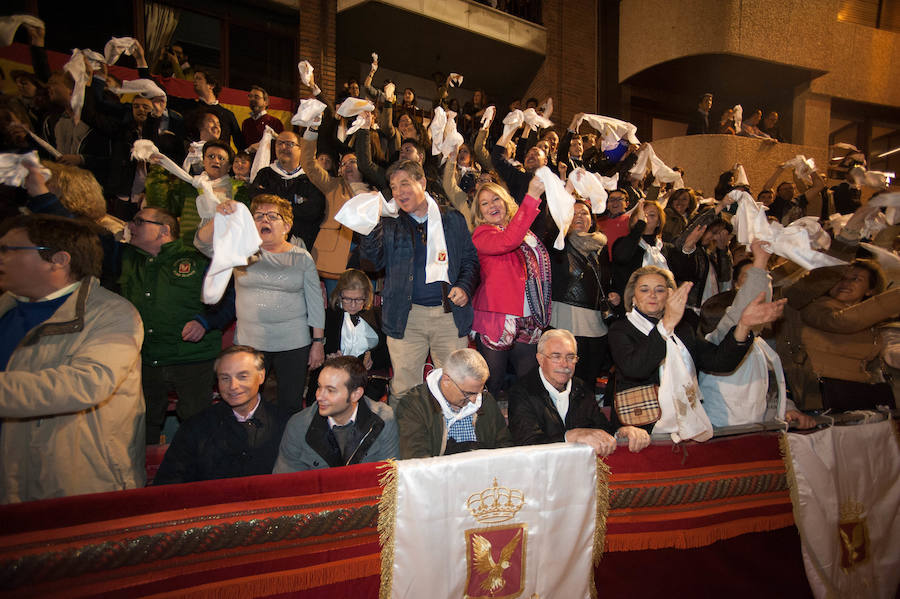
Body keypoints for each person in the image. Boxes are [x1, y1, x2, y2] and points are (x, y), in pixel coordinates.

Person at [0, 215, 145, 502]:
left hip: (73, 481)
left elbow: (86, 383)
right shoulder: (6, 309)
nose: (1, 257)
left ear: (59, 260)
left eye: (9, 250)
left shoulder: (111, 315)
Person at [608, 266, 782, 438]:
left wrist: (743, 325)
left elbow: (719, 362)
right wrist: (666, 325)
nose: (652, 295)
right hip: (640, 429)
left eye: (660, 290)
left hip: (685, 425)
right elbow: (635, 368)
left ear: (670, 295)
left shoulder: (683, 329)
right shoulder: (621, 329)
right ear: (633, 298)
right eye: (644, 290)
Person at [360, 160, 479, 403]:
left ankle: (454, 438)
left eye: (405, 183)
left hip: (449, 315)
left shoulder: (452, 219)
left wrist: (465, 286)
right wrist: (371, 223)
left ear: (422, 182)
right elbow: (372, 262)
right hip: (406, 317)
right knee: (405, 388)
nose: (399, 192)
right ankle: (408, 439)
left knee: (455, 385)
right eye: (393, 187)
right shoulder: (389, 221)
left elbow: (470, 261)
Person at [196, 194, 325, 413]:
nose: (264, 220)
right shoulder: (239, 251)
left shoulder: (302, 257)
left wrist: (318, 342)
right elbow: (202, 244)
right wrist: (219, 217)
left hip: (293, 343)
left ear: (286, 225)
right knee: (247, 403)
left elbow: (315, 302)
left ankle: (287, 446)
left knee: (290, 405)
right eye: (258, 216)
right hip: (250, 343)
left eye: (272, 216)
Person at [119, 207, 234, 444]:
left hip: (191, 358)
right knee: (143, 422)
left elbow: (230, 297)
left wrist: (206, 322)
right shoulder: (125, 257)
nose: (131, 226)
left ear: (164, 230)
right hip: (146, 358)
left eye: (139, 221)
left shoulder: (196, 257)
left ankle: (197, 477)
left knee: (196, 423)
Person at [154, 346, 290, 484]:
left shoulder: (286, 423)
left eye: (242, 376)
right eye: (225, 378)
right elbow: (169, 482)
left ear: (261, 376)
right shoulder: (196, 427)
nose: (233, 386)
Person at [779, 259, 900, 411]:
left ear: (870, 290)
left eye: (855, 279)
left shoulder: (872, 321)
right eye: (841, 278)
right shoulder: (816, 306)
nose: (845, 283)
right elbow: (842, 321)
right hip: (824, 391)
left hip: (857, 392)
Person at [508, 329, 650, 455]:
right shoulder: (522, 391)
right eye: (556, 357)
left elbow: (601, 428)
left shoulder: (581, 387)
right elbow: (526, 444)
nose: (564, 364)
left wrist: (621, 433)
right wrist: (570, 436)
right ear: (540, 359)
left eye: (570, 357)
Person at [471, 178, 551, 397]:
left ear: (506, 201)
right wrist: (532, 196)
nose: (492, 205)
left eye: (496, 199)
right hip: (497, 316)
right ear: (479, 212)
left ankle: (525, 426)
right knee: (492, 383)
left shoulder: (522, 230)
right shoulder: (482, 234)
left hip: (529, 315)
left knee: (530, 382)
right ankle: (486, 428)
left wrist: (567, 188)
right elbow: (508, 241)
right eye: (484, 204)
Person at [273, 356, 398, 472]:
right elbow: (285, 484)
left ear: (356, 394)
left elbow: (389, 480)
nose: (319, 396)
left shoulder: (382, 421)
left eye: (330, 390)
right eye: (319, 387)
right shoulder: (299, 425)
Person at [547, 199, 620, 393]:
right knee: (565, 379)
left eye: (584, 213)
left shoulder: (600, 247)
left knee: (588, 381)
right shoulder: (558, 243)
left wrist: (613, 296)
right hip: (566, 319)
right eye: (574, 212)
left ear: (592, 219)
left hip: (596, 323)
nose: (579, 216)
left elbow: (604, 281)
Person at [394, 348, 513, 458]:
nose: (474, 400)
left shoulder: (485, 400)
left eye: (479, 392)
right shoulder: (415, 406)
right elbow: (417, 461)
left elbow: (505, 445)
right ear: (446, 381)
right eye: (468, 393)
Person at [306, 269, 390, 405]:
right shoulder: (328, 318)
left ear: (367, 297)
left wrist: (372, 359)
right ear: (339, 295)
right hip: (331, 381)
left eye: (358, 300)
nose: (352, 305)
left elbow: (386, 357)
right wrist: (328, 359)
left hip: (366, 384)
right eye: (347, 299)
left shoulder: (376, 317)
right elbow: (313, 356)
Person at [146, 140, 251, 243]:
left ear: (229, 166)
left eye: (221, 158)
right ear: (203, 161)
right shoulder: (189, 186)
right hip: (190, 252)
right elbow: (160, 204)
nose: (216, 161)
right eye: (211, 156)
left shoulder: (240, 190)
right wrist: (157, 169)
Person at [251, 130, 326, 251]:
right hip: (266, 244)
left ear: (300, 148)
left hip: (303, 244)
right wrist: (293, 204)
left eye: (289, 144)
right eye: (279, 143)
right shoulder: (265, 175)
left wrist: (276, 206)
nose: (283, 147)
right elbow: (257, 203)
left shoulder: (311, 178)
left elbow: (313, 211)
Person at [241, 85, 283, 150]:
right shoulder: (246, 123)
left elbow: (282, 144)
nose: (252, 99)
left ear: (265, 102)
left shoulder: (275, 122)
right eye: (250, 96)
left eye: (256, 97)